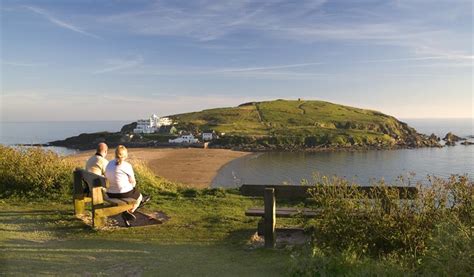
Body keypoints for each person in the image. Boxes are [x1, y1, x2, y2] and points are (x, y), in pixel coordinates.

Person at [105, 145, 150, 227]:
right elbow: (133, 182)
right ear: (125, 155)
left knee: (132, 193)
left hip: (110, 193)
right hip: (123, 193)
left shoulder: (109, 164)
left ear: (115, 154)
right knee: (139, 196)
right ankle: (129, 211)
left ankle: (126, 211)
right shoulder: (126, 165)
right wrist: (131, 185)